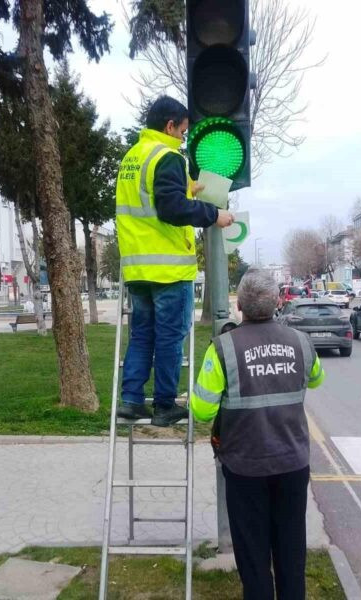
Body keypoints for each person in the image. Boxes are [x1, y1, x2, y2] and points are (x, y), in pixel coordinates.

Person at [191, 269, 325, 600]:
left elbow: (202, 410)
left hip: (245, 468)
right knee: (291, 548)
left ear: (240, 307)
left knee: (253, 555)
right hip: (293, 464)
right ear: (278, 302)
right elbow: (316, 379)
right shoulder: (301, 342)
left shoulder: (223, 348)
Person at [116, 95, 235, 427]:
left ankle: (131, 402)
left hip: (138, 269)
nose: (183, 138)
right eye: (182, 131)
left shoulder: (134, 157)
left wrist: (188, 190)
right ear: (169, 126)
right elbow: (170, 209)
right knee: (169, 338)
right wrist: (214, 214)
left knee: (141, 335)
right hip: (168, 269)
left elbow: (154, 202)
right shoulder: (167, 156)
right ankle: (165, 406)